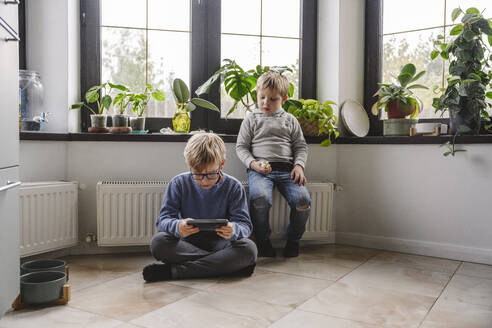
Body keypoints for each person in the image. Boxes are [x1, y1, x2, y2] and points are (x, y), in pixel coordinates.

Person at [143, 132, 257, 282]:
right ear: (189, 165)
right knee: (158, 243)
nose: (204, 181)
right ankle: (227, 265)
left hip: (222, 245)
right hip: (187, 244)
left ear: (222, 164)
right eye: (197, 174)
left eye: (210, 174)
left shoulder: (234, 187)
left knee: (248, 249)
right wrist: (178, 226)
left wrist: (233, 229)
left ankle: (175, 272)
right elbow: (163, 221)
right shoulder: (178, 183)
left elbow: (245, 225)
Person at [236, 71, 311, 258]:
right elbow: (241, 147)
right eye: (262, 97)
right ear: (257, 95)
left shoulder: (290, 120)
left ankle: (293, 240)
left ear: (284, 99)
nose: (265, 103)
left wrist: (299, 166)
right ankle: (263, 240)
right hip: (260, 172)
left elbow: (301, 146)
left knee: (303, 202)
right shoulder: (251, 119)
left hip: (288, 171)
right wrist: (253, 164)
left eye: (272, 99)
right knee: (260, 200)